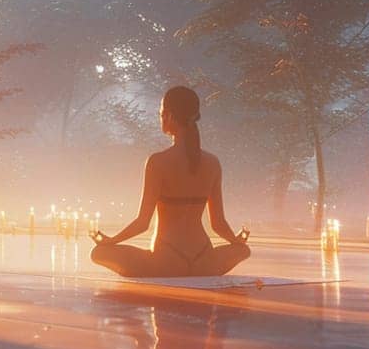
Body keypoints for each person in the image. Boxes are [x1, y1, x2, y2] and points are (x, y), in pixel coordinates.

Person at [90, 86, 250, 277]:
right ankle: (213, 259)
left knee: (99, 253)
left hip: (166, 261)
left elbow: (143, 223)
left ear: (169, 116)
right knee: (243, 250)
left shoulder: (157, 162)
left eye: (161, 113)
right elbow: (218, 223)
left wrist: (112, 240)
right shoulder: (212, 163)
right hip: (204, 260)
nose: (160, 117)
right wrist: (236, 240)